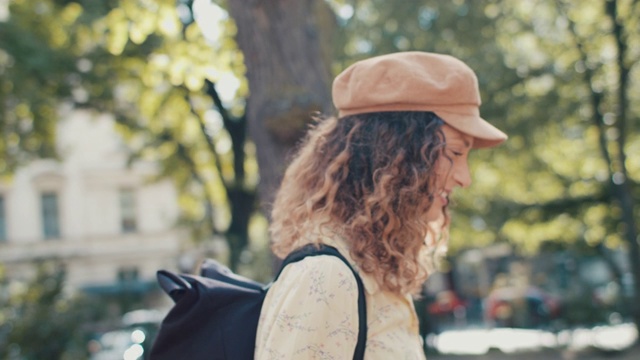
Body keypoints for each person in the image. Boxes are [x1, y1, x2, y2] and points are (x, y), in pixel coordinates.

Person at [254, 51, 507, 359]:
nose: (465, 178)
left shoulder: (373, 268)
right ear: (394, 153)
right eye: (454, 153)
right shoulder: (327, 277)